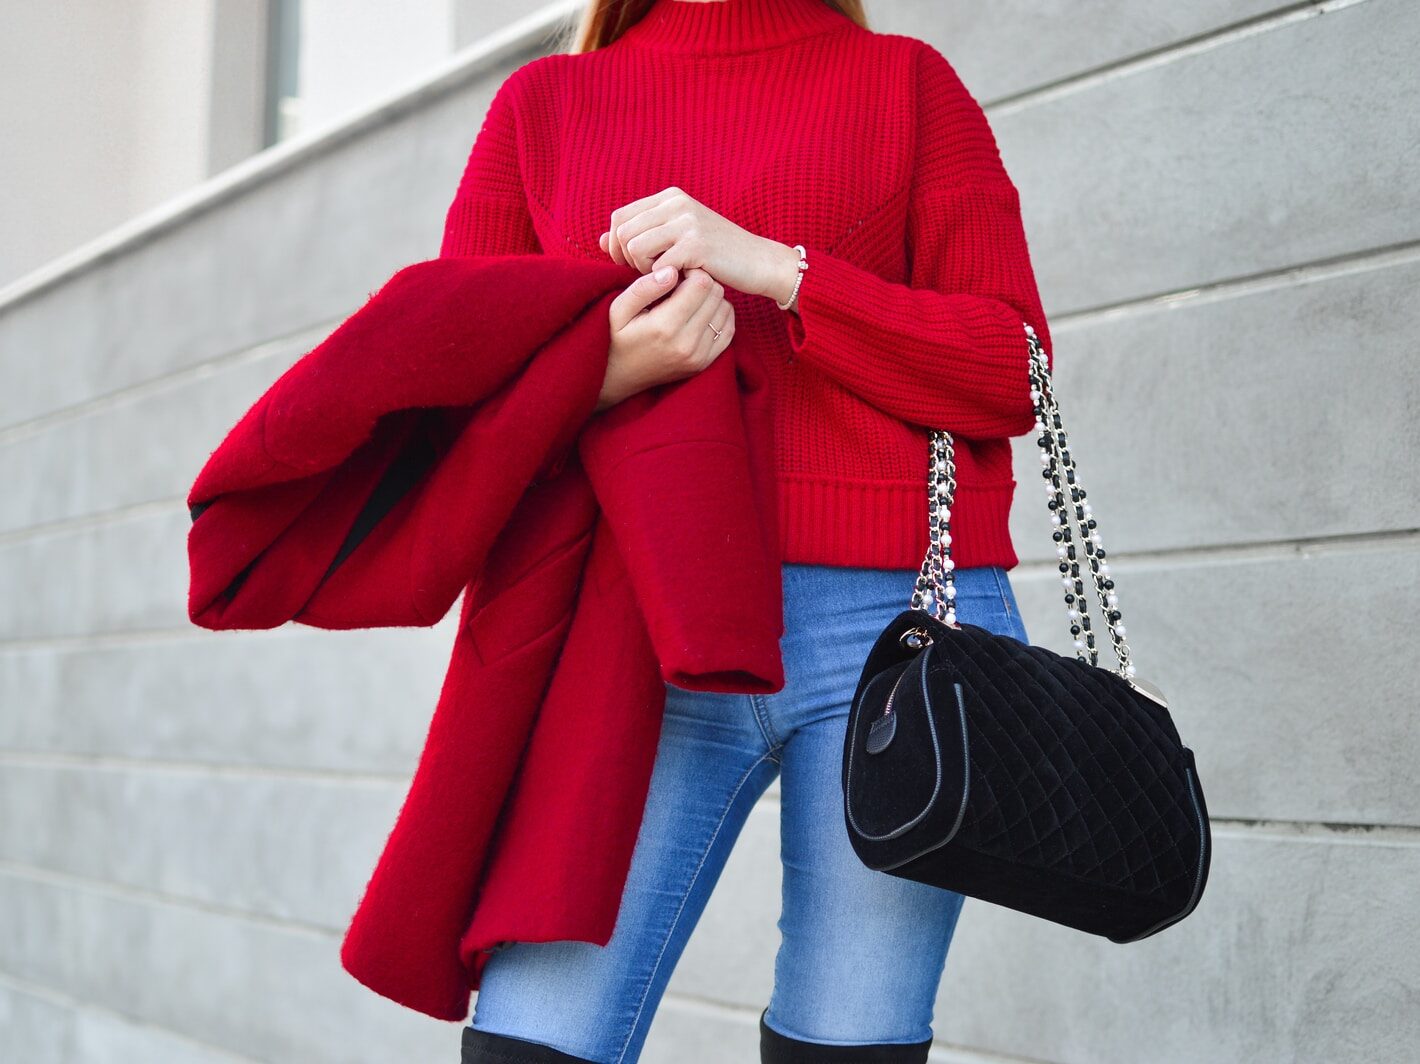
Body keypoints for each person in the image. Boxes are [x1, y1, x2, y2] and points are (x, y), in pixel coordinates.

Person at [448, 1, 1053, 1060]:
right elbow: (457, 405)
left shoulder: (907, 85)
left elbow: (1011, 368)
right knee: (531, 1042)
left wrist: (782, 270)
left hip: (898, 634)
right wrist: (610, 368)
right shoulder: (543, 105)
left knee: (848, 1046)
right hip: (629, 629)